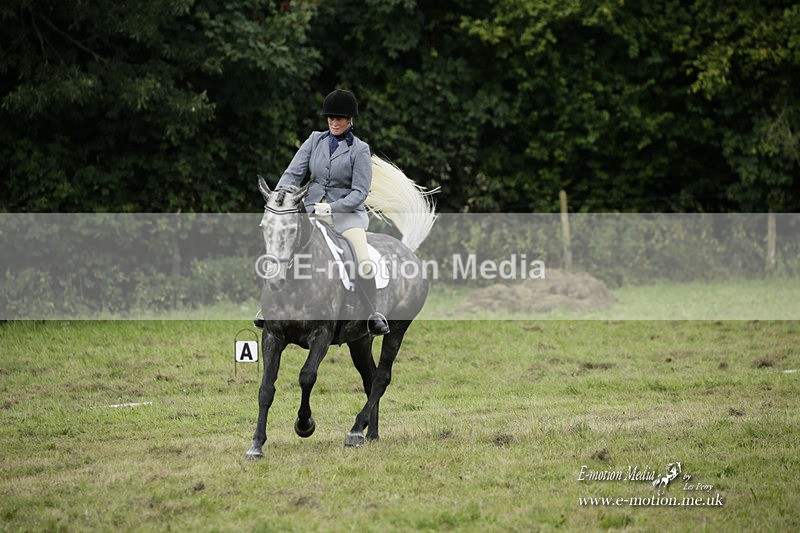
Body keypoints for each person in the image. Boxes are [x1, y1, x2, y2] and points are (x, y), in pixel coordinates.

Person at [275, 89, 390, 336]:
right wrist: (281, 197)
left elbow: (360, 193)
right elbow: (293, 173)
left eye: (339, 118)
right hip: (311, 211)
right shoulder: (314, 140)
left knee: (363, 260)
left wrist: (333, 207)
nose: (334, 123)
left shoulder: (360, 149)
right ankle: (271, 310)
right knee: (282, 249)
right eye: (330, 118)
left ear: (350, 120)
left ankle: (372, 315)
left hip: (347, 216)